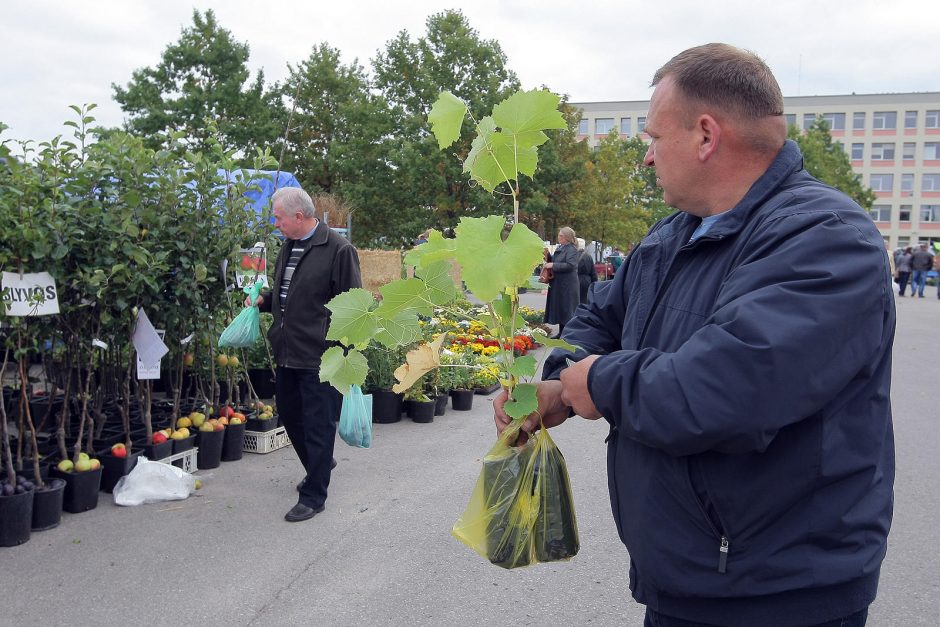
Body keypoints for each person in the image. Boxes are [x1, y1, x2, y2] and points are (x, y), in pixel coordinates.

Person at [496, 43, 894, 626]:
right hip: (689, 574)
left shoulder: (828, 238)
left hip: (779, 593)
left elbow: (721, 391)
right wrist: (554, 383)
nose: (647, 161)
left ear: (706, 136)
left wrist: (598, 380)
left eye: (654, 140)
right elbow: (594, 323)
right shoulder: (670, 237)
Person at [253, 187, 362, 522]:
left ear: (298, 216)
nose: (276, 223)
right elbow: (290, 296)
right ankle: (320, 462)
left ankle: (314, 495)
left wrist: (342, 356)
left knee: (317, 425)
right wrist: (265, 300)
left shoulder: (338, 250)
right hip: (287, 349)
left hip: (320, 356)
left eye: (278, 217)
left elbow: (353, 304)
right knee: (289, 415)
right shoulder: (289, 246)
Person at [542, 226, 580, 335]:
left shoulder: (571, 249)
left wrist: (553, 265)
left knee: (567, 310)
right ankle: (561, 333)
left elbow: (571, 265)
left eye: (561, 235)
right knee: (561, 309)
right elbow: (556, 260)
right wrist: (548, 256)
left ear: (566, 237)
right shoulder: (562, 247)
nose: (559, 237)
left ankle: (567, 335)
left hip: (567, 285)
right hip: (560, 283)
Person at [576, 237, 598, 304]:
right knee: (585, 300)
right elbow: (593, 272)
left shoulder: (572, 256)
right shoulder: (588, 257)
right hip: (587, 281)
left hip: (575, 279)